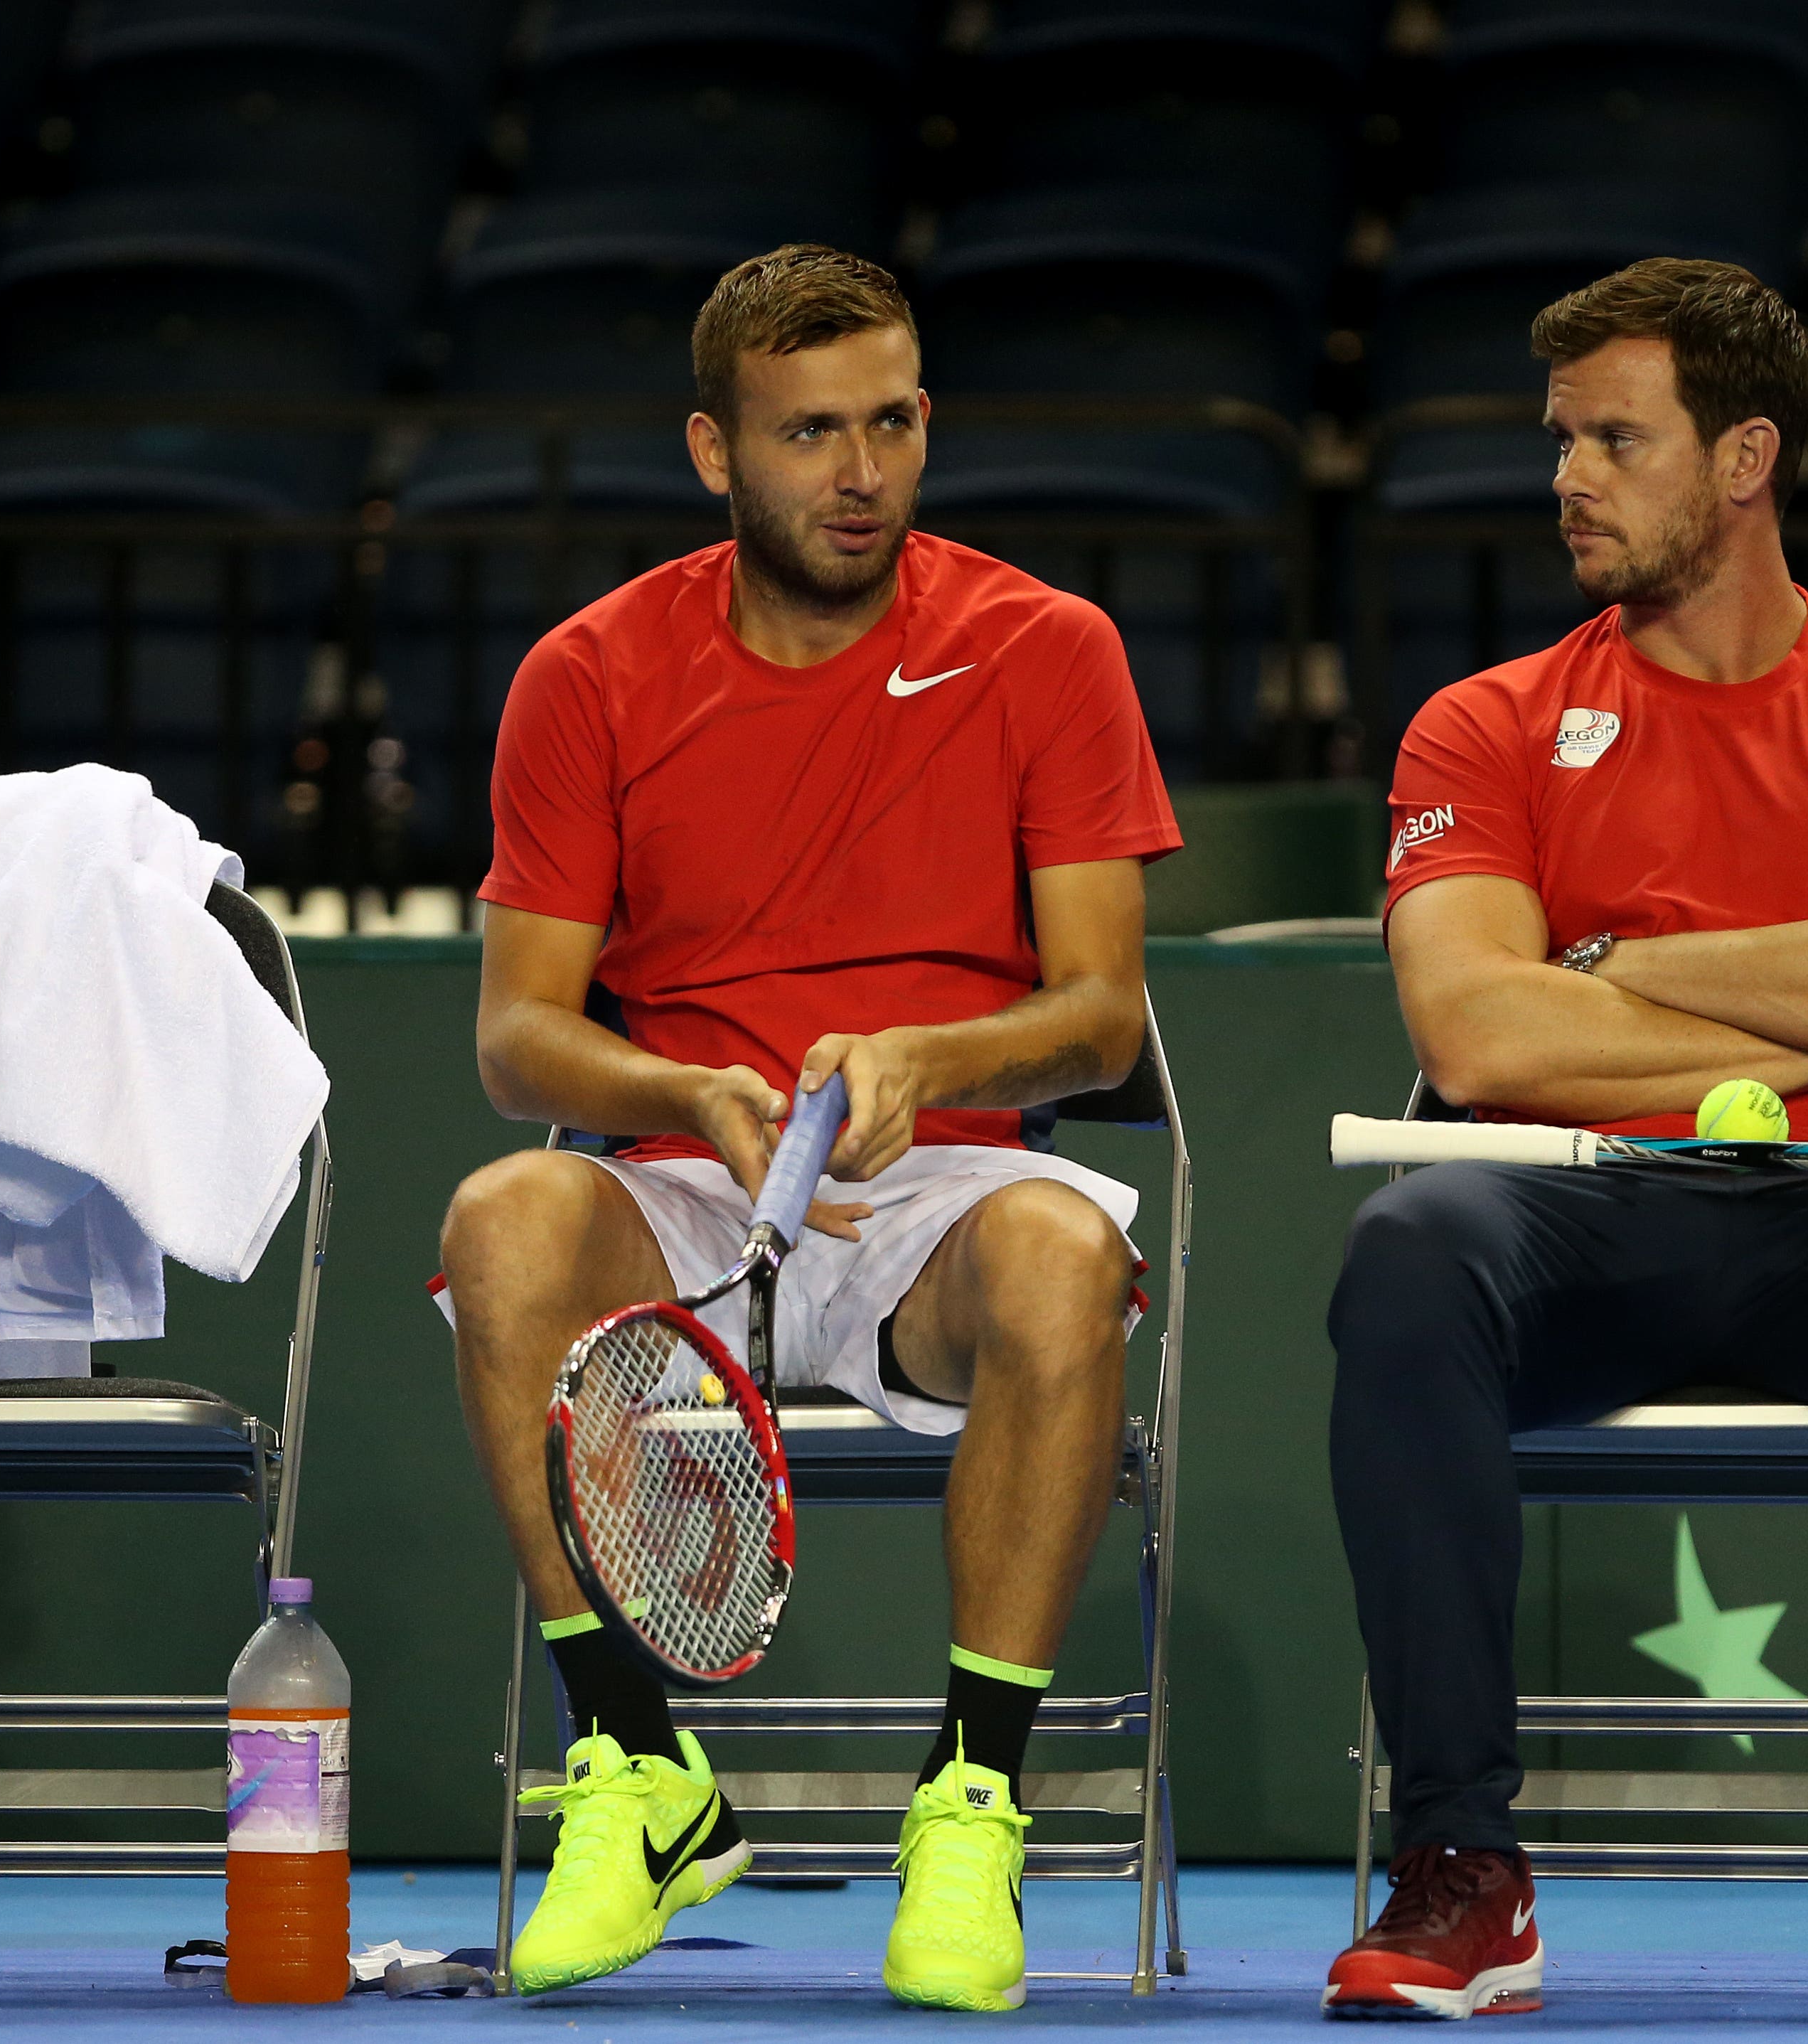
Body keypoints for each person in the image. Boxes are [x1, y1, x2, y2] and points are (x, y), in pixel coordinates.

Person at [1320, 258, 1808, 2026]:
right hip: (1580, 1228)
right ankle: (1458, 1864)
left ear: (1743, 456)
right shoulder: (1486, 722)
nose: (1565, 478)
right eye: (1560, 440)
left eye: (1614, 438)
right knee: (1406, 1246)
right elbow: (1472, 1030)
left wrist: (1603, 962)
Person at [439, 244, 1180, 2013]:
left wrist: (937, 1052)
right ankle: (636, 1766)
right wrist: (678, 1089)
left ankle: (971, 1801)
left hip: (938, 1178)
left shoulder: (1045, 648)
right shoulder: (589, 672)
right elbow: (516, 1036)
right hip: (691, 1179)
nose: (857, 474)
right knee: (504, 1219)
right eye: (806, 434)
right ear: (716, 451)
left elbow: (1098, 1010)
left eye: (890, 424)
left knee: (1070, 1253)